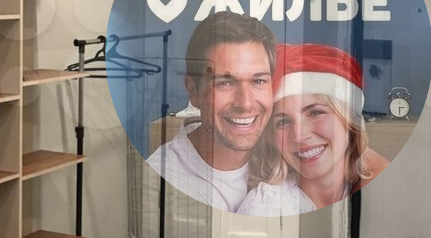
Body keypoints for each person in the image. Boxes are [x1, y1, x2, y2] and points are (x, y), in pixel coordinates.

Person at [237, 43, 388, 216]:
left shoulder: (380, 190)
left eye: (315, 113)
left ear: (348, 120)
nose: (299, 136)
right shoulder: (264, 207)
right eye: (283, 122)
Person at [147, 11, 276, 213]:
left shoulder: (289, 156)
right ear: (193, 91)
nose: (245, 103)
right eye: (225, 83)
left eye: (258, 81)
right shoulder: (160, 182)